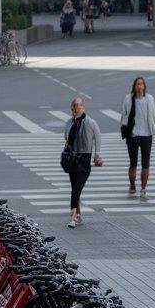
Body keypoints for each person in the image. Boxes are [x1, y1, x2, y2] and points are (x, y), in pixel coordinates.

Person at [63, 97, 102, 229]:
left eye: (79, 105)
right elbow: (66, 137)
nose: (77, 107)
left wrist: (97, 154)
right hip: (73, 160)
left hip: (84, 161)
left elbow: (98, 138)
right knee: (75, 189)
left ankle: (73, 217)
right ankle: (78, 215)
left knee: (76, 189)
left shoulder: (90, 122)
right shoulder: (69, 123)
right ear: (72, 108)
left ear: (83, 107)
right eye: (75, 105)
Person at [120, 76, 155, 199]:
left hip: (147, 135)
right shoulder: (128, 98)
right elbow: (124, 115)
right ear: (134, 86)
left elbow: (154, 117)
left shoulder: (149, 99)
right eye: (137, 84)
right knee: (133, 163)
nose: (139, 86)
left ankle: (143, 189)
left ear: (144, 86)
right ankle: (132, 185)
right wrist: (125, 130)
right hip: (133, 134)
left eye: (141, 84)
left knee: (146, 164)